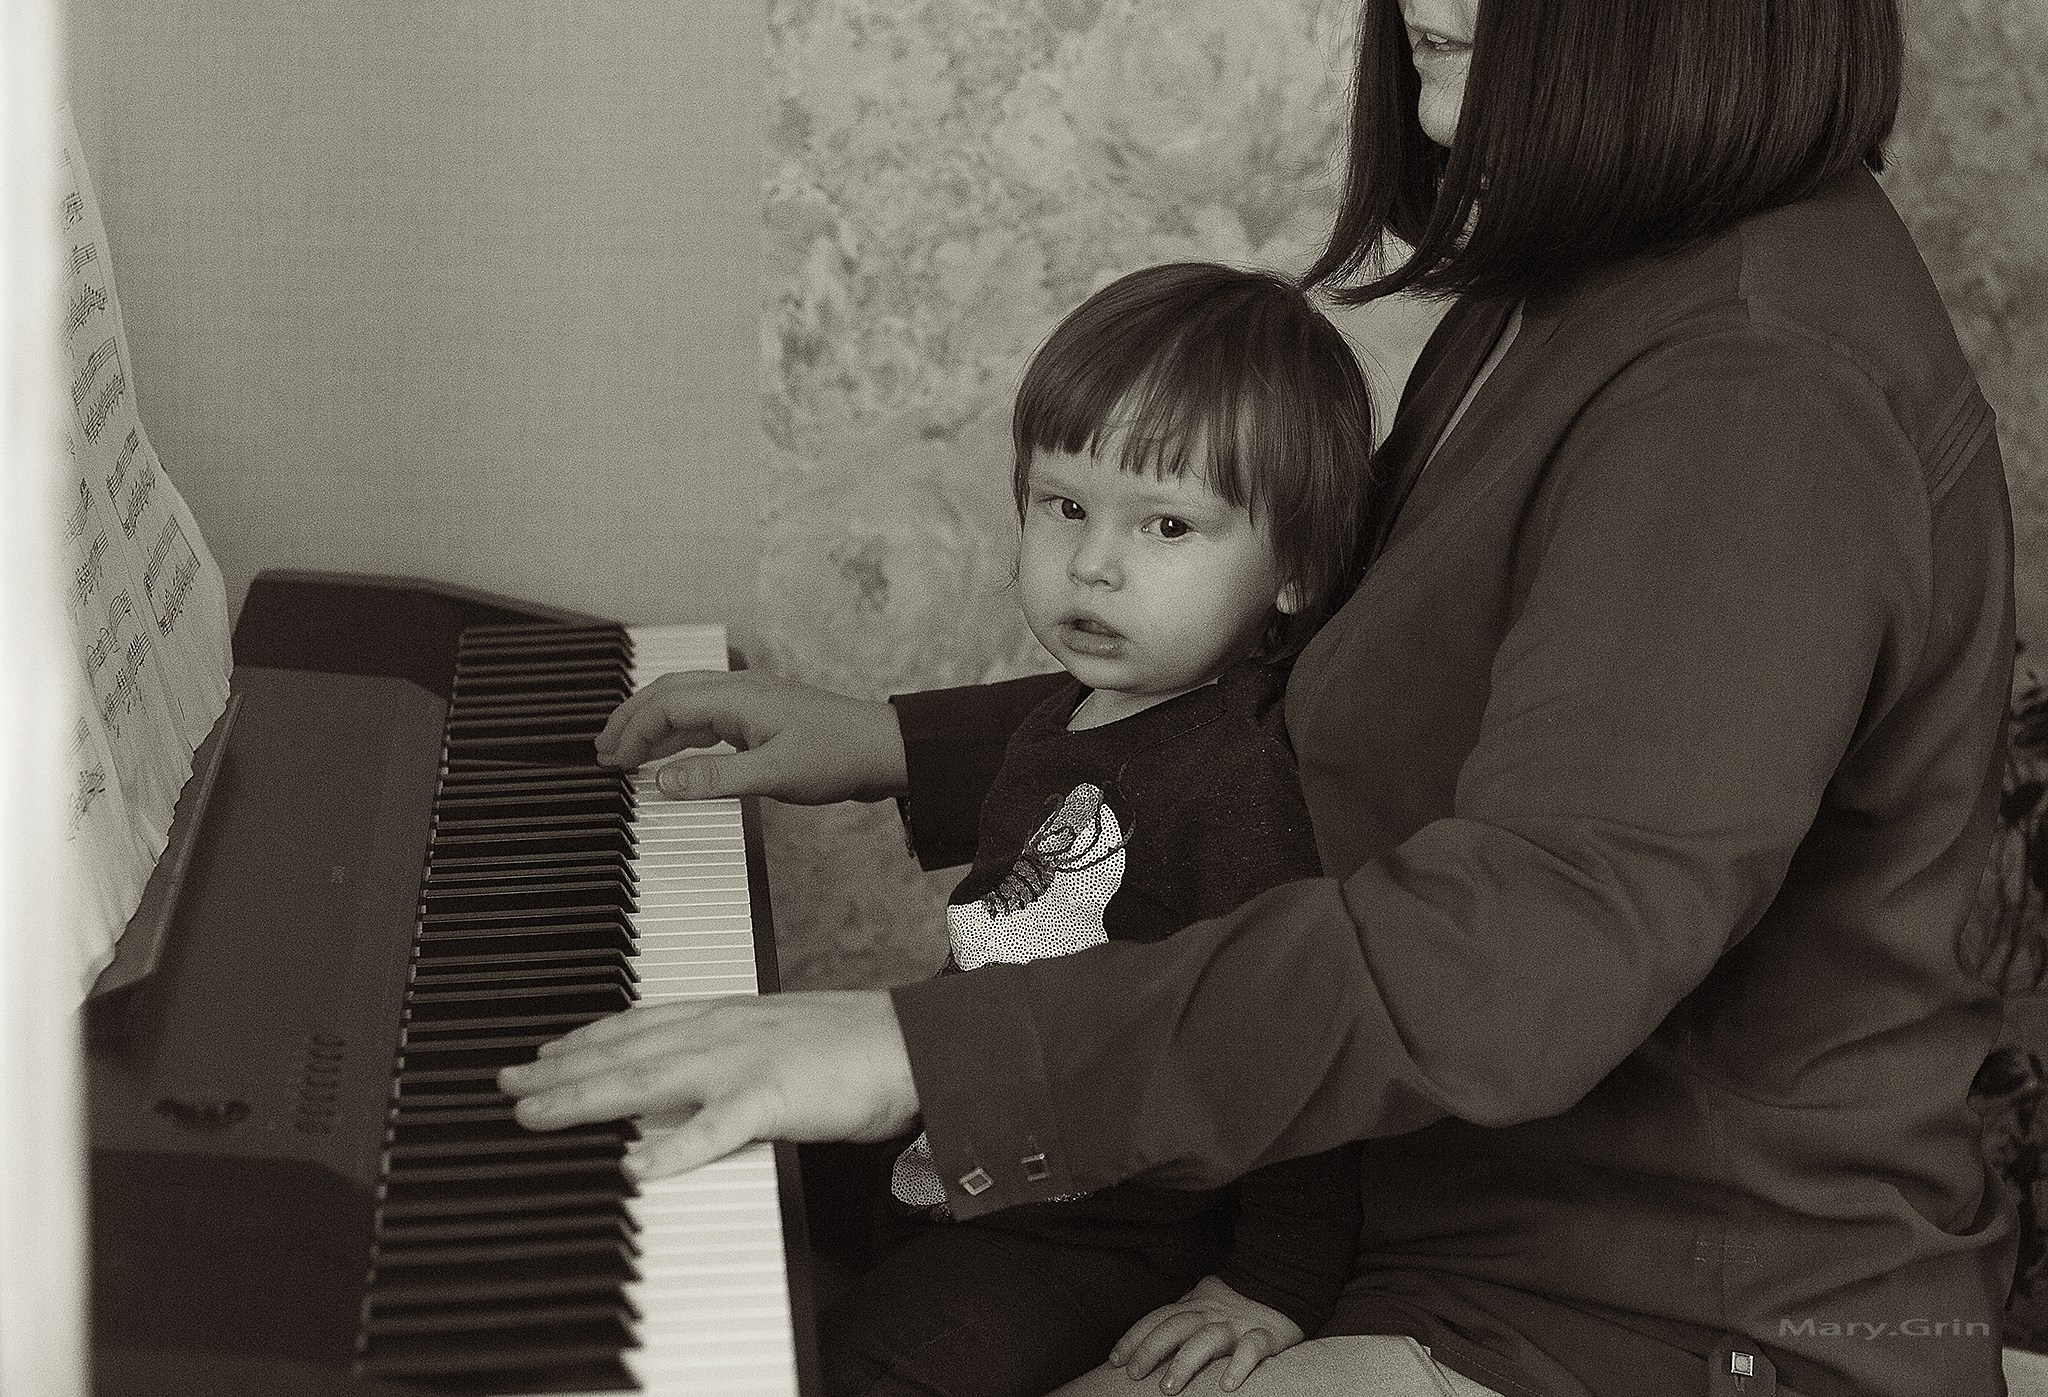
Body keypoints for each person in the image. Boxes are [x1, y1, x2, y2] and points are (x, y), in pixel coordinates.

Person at [500, 1, 2018, 1394]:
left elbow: (1527, 946)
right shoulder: (1589, 288)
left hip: (1664, 1313)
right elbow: (1339, 708)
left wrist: (924, 1052)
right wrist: (902, 745)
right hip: (1451, 1210)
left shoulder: (1755, 389)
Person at [802, 262, 1376, 1397]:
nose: (1094, 564)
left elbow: (1297, 1041)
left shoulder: (1236, 785)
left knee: (863, 1369)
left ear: (1294, 571)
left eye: (1167, 524)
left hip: (1092, 1235)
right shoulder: (1076, 706)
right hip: (957, 1147)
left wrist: (1275, 1281)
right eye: (1064, 506)